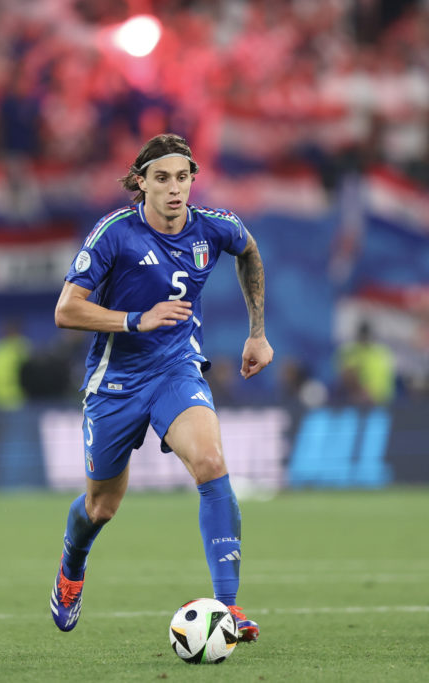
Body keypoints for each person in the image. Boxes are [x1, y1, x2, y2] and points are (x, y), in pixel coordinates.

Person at [49, 133, 273, 641]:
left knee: (212, 464)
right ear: (141, 183)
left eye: (183, 177)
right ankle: (72, 566)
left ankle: (230, 607)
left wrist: (257, 332)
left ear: (193, 179)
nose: (175, 189)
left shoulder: (213, 228)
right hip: (116, 383)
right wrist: (135, 320)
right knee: (101, 506)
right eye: (163, 179)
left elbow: (249, 251)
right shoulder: (114, 234)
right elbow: (66, 309)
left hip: (176, 371)